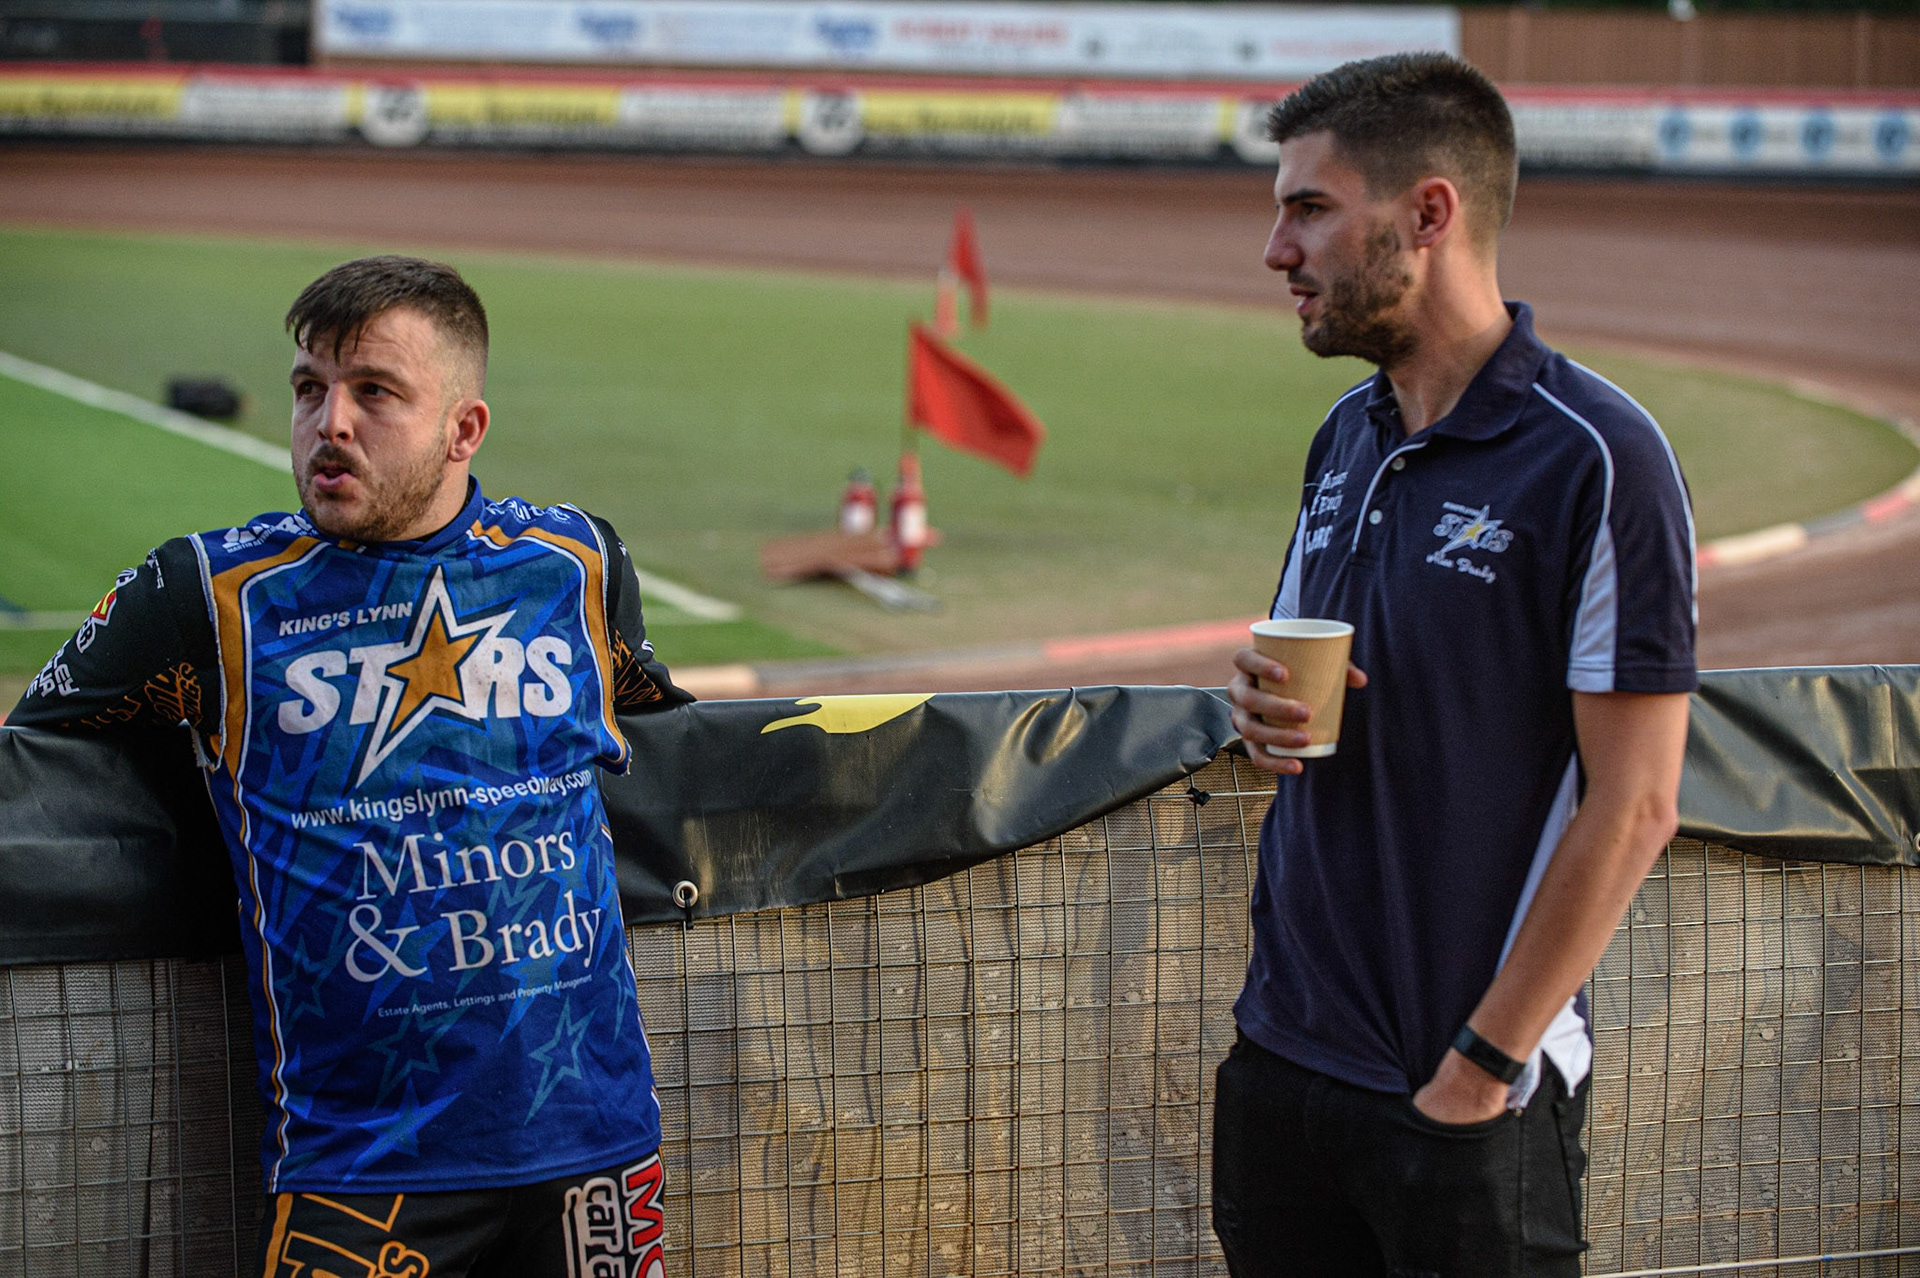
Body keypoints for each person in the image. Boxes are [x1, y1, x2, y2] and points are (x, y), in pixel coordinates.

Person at [11, 256, 693, 1277]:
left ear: (463, 429)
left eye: (375, 392)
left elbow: (658, 720)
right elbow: (32, 753)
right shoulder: (204, 594)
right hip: (363, 1174)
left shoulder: (577, 564)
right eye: (309, 389)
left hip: (595, 1149)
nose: (330, 423)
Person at [1216, 54, 1697, 1276]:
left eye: (1309, 208)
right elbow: (1307, 682)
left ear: (1428, 214)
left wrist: (1481, 1069)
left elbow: (1638, 803)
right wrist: (1258, 709)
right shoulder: (1345, 433)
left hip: (1463, 1097)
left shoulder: (1597, 459)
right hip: (1284, 1066)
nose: (1277, 250)